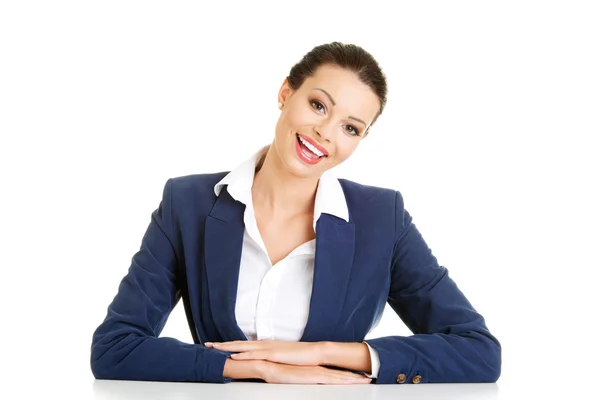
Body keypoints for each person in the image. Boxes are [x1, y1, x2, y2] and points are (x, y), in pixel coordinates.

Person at [90, 42, 501, 385]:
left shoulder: (382, 218)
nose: (326, 133)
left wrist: (319, 355)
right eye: (319, 105)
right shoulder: (188, 203)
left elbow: (479, 352)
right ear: (286, 92)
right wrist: (257, 368)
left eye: (351, 127)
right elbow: (114, 347)